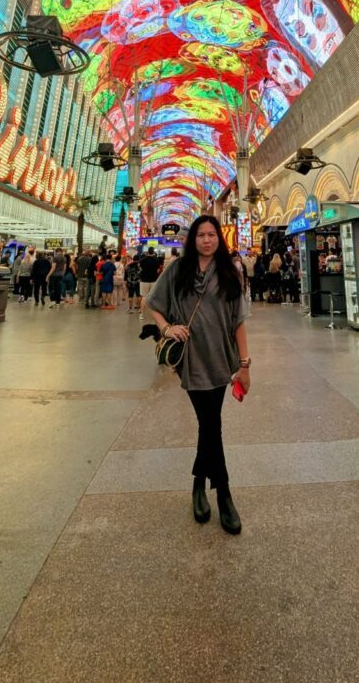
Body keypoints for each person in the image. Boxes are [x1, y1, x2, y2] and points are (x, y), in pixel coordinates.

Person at [146, 215, 251, 535]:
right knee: (211, 424)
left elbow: (239, 321)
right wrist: (167, 328)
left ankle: (199, 485)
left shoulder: (229, 272)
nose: (207, 240)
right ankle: (224, 496)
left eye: (212, 235)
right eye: (201, 235)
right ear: (192, 240)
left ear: (220, 238)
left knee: (210, 424)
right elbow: (151, 303)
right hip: (191, 360)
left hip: (221, 360)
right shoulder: (178, 271)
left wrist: (244, 365)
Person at [138, 246, 162, 321]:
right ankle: (154, 316)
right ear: (153, 251)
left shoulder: (142, 260)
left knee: (144, 297)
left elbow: (140, 269)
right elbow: (158, 271)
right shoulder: (156, 260)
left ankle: (141, 314)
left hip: (144, 280)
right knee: (153, 298)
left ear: (148, 252)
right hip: (153, 280)